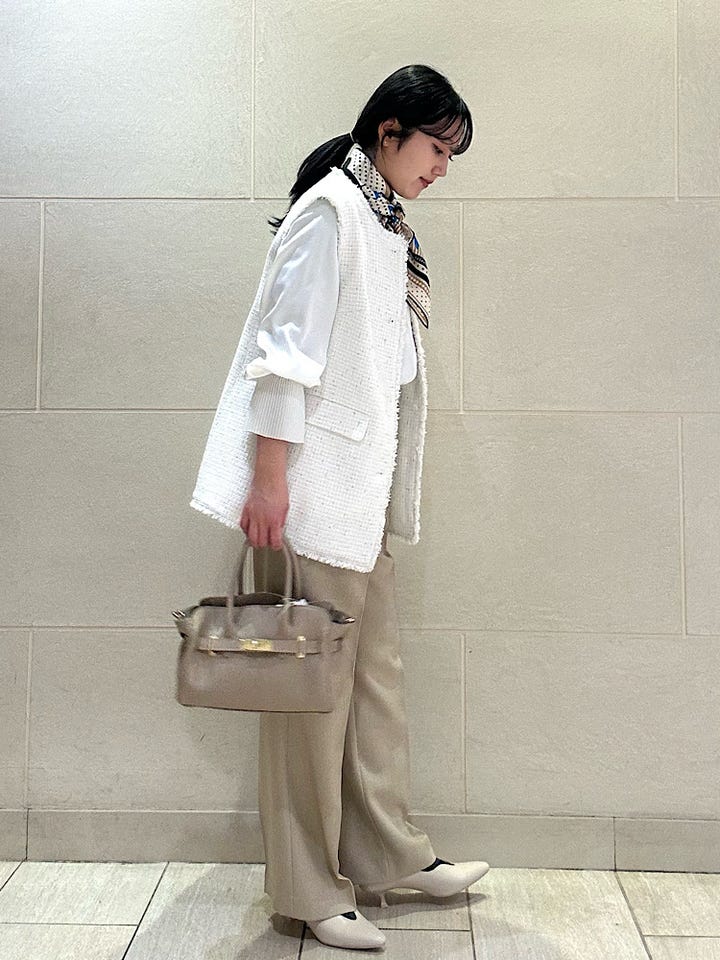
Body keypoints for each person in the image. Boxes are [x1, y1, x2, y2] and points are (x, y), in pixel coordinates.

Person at [190, 63, 490, 951]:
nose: (443, 167)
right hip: (314, 494)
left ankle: (387, 855)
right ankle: (308, 890)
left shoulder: (380, 218)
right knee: (309, 698)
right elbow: (282, 358)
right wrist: (269, 482)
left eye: (452, 154)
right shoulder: (331, 212)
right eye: (437, 147)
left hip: (359, 498)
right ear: (389, 132)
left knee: (373, 684)